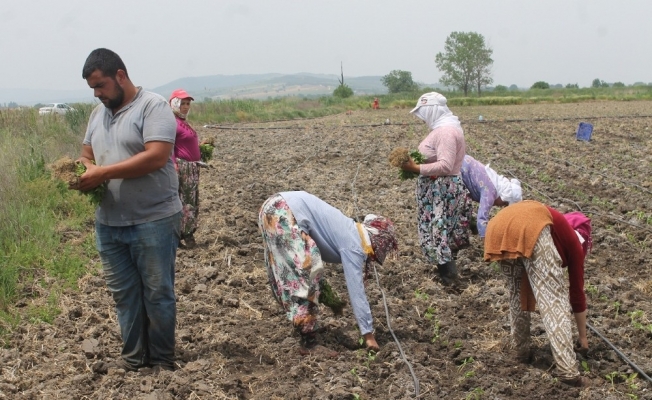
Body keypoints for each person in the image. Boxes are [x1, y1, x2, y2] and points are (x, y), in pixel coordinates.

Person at [75, 48, 182, 373]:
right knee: (124, 294)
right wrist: (82, 171)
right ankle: (134, 360)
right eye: (92, 88)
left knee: (157, 292)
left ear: (120, 76)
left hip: (154, 219)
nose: (97, 93)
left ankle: (161, 359)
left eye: (100, 85)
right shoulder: (97, 114)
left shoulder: (153, 107)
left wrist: (103, 173)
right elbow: (86, 155)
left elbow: (157, 156)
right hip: (109, 223)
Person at [258, 191, 398, 356]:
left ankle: (303, 326)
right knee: (306, 272)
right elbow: (356, 291)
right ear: (377, 239)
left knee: (290, 271)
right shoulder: (355, 244)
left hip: (272, 207)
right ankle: (309, 343)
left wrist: (330, 299)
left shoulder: (351, 230)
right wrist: (368, 334)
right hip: (285, 211)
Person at [484, 200, 592, 387]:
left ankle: (520, 353)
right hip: (529, 226)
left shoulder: (556, 227)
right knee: (553, 300)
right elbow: (576, 293)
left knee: (517, 293)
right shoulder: (574, 243)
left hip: (498, 227)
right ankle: (568, 372)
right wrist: (583, 337)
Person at [400, 92, 472, 285]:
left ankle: (449, 278)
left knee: (439, 232)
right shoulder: (444, 129)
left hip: (441, 189)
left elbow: (445, 166)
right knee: (440, 231)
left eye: (424, 113)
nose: (423, 118)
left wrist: (415, 168)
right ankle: (447, 275)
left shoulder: (445, 132)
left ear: (432, 110)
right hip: (439, 188)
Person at [460, 154, 523, 238]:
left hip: (463, 162)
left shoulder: (494, 181)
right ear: (504, 197)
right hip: (459, 169)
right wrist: (486, 238)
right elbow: (482, 219)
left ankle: (470, 222)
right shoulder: (490, 193)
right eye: (504, 204)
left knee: (463, 204)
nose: (501, 206)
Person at [169, 89, 202, 248]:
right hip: (182, 168)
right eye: (183, 103)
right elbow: (169, 146)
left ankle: (184, 233)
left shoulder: (183, 122)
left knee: (191, 199)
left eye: (188, 103)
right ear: (175, 103)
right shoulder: (172, 123)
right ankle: (184, 234)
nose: (186, 106)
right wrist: (174, 164)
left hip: (192, 168)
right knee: (185, 201)